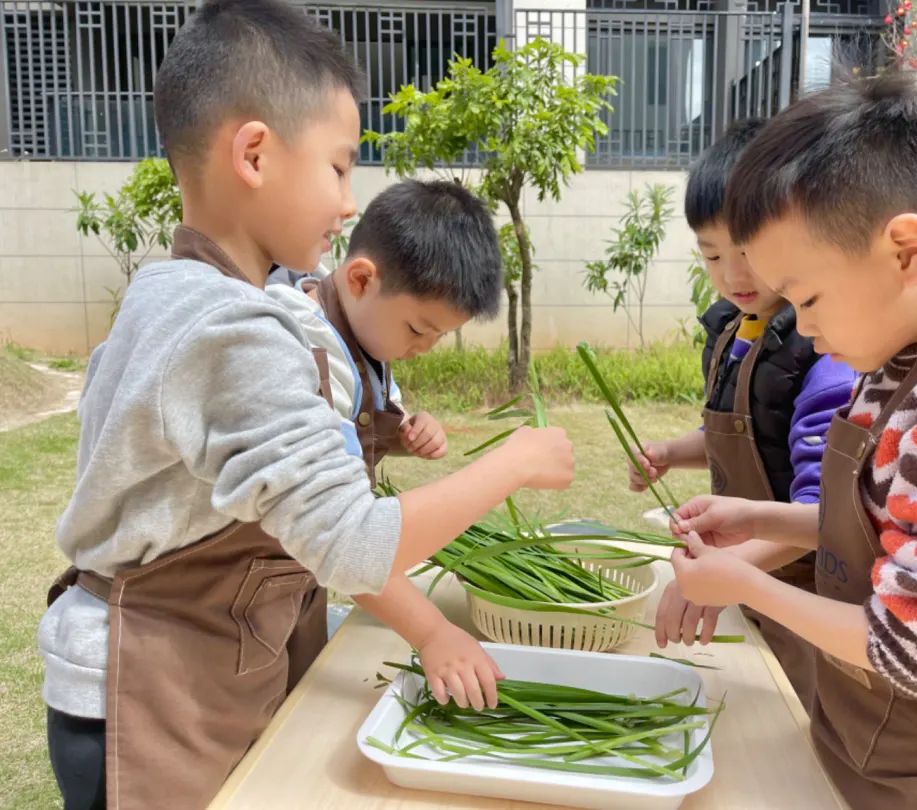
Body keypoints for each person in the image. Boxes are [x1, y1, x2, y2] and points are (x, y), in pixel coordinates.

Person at [37, 2, 573, 808]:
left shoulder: (178, 294)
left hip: (178, 669)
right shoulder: (231, 327)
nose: (347, 201)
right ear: (254, 153)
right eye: (339, 166)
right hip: (145, 691)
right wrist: (514, 462)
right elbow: (355, 547)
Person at [670, 72, 917, 810]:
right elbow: (892, 526)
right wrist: (764, 520)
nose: (805, 325)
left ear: (904, 251)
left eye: (809, 297)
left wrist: (745, 584)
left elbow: (909, 651)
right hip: (872, 747)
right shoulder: (908, 356)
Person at [631, 119, 855, 709]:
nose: (733, 276)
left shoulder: (827, 354)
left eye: (749, 253)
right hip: (746, 581)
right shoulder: (734, 329)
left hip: (805, 594)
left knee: (799, 719)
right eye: (711, 254)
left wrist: (728, 572)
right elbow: (735, 432)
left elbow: (821, 516)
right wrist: (673, 453)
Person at [265, 178, 509, 715]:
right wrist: (432, 633)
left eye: (437, 338)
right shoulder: (299, 344)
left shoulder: (367, 341)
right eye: (419, 329)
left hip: (294, 584)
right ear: (360, 279)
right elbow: (342, 538)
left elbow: (369, 418)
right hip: (256, 588)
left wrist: (408, 432)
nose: (422, 348)